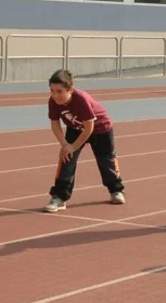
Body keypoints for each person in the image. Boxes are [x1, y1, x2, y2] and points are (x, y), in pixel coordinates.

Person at [43, 69, 125, 213]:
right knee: (66, 159)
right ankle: (59, 197)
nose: (55, 95)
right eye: (52, 91)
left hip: (100, 129)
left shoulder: (81, 99)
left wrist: (73, 146)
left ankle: (116, 190)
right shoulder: (53, 102)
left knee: (106, 160)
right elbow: (55, 123)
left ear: (70, 89)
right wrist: (65, 145)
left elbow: (89, 127)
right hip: (75, 128)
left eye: (59, 91)